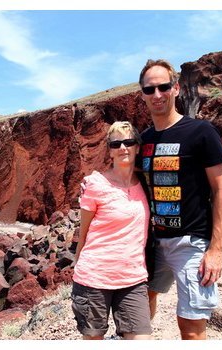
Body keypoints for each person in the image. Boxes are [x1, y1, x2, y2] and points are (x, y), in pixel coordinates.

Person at [137, 59, 222, 340]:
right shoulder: (144, 138)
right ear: (142, 94)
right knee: (141, 310)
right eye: (149, 89)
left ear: (176, 88)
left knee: (191, 329)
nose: (157, 95)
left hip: (191, 243)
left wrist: (216, 249)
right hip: (153, 242)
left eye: (163, 87)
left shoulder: (201, 132)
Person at [71, 121, 153, 340]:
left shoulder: (146, 180)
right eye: (116, 143)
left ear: (137, 146)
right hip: (94, 279)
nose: (123, 148)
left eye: (128, 142)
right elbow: (84, 230)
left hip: (133, 279)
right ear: (110, 149)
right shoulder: (96, 184)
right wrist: (78, 261)